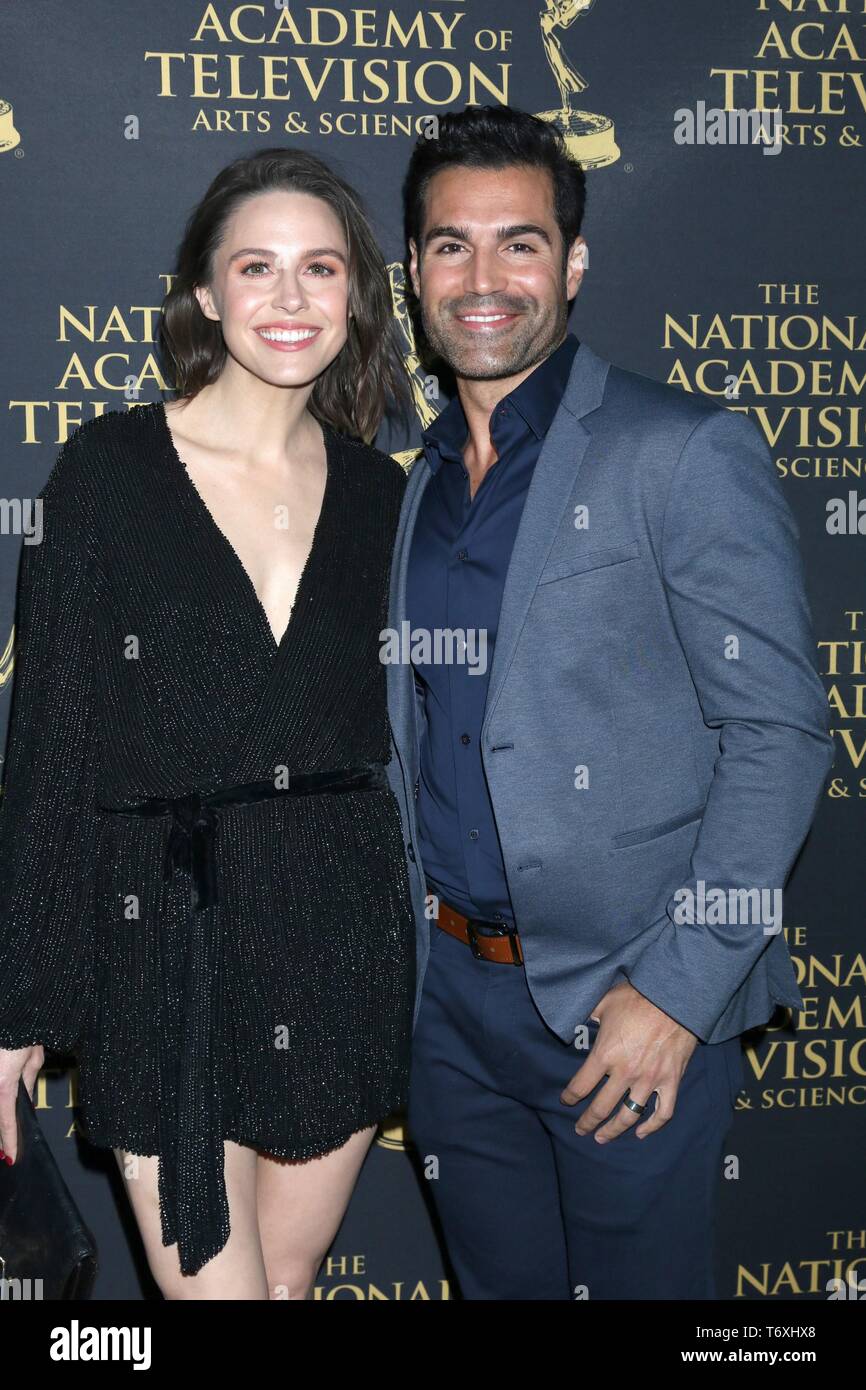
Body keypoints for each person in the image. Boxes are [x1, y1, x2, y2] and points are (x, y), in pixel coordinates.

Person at [383, 106, 834, 1300]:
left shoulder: (677, 449)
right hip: (446, 1007)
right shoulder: (409, 487)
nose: (483, 279)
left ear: (572, 264)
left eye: (518, 243)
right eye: (449, 245)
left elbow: (780, 735)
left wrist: (677, 995)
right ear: (412, 271)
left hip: (625, 1003)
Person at [0, 148, 416, 1300]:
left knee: (283, 1286)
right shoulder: (107, 471)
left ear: (355, 297)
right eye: (256, 267)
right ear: (203, 293)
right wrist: (17, 1010)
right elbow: (49, 753)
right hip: (160, 938)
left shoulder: (387, 496)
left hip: (338, 924)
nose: (289, 300)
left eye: (319, 269)